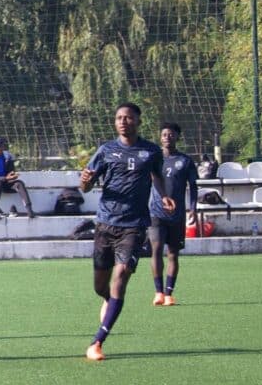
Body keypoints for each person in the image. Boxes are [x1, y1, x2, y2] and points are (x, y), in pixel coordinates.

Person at [79, 102, 175, 361]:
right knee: (101, 286)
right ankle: (108, 303)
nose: (123, 121)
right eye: (119, 118)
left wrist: (164, 196)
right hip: (105, 224)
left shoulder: (151, 151)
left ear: (138, 121)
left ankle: (97, 342)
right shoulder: (106, 150)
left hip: (134, 226)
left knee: (120, 277)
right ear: (115, 122)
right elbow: (86, 185)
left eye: (129, 117)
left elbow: (156, 175)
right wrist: (85, 182)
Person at [149, 122, 198, 307]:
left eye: (171, 134)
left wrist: (193, 207)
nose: (167, 137)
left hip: (177, 215)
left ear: (178, 137)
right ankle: (158, 292)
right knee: (156, 249)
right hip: (155, 213)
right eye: (164, 134)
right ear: (160, 137)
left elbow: (193, 186)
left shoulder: (185, 161)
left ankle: (169, 293)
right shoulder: (154, 159)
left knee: (173, 254)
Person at [0, 137, 35, 220]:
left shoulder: (8, 156)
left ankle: (29, 209)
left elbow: (11, 172)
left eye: (0, 146)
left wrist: (13, 176)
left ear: (3, 147)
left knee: (19, 183)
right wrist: (5, 178)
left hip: (5, 182)